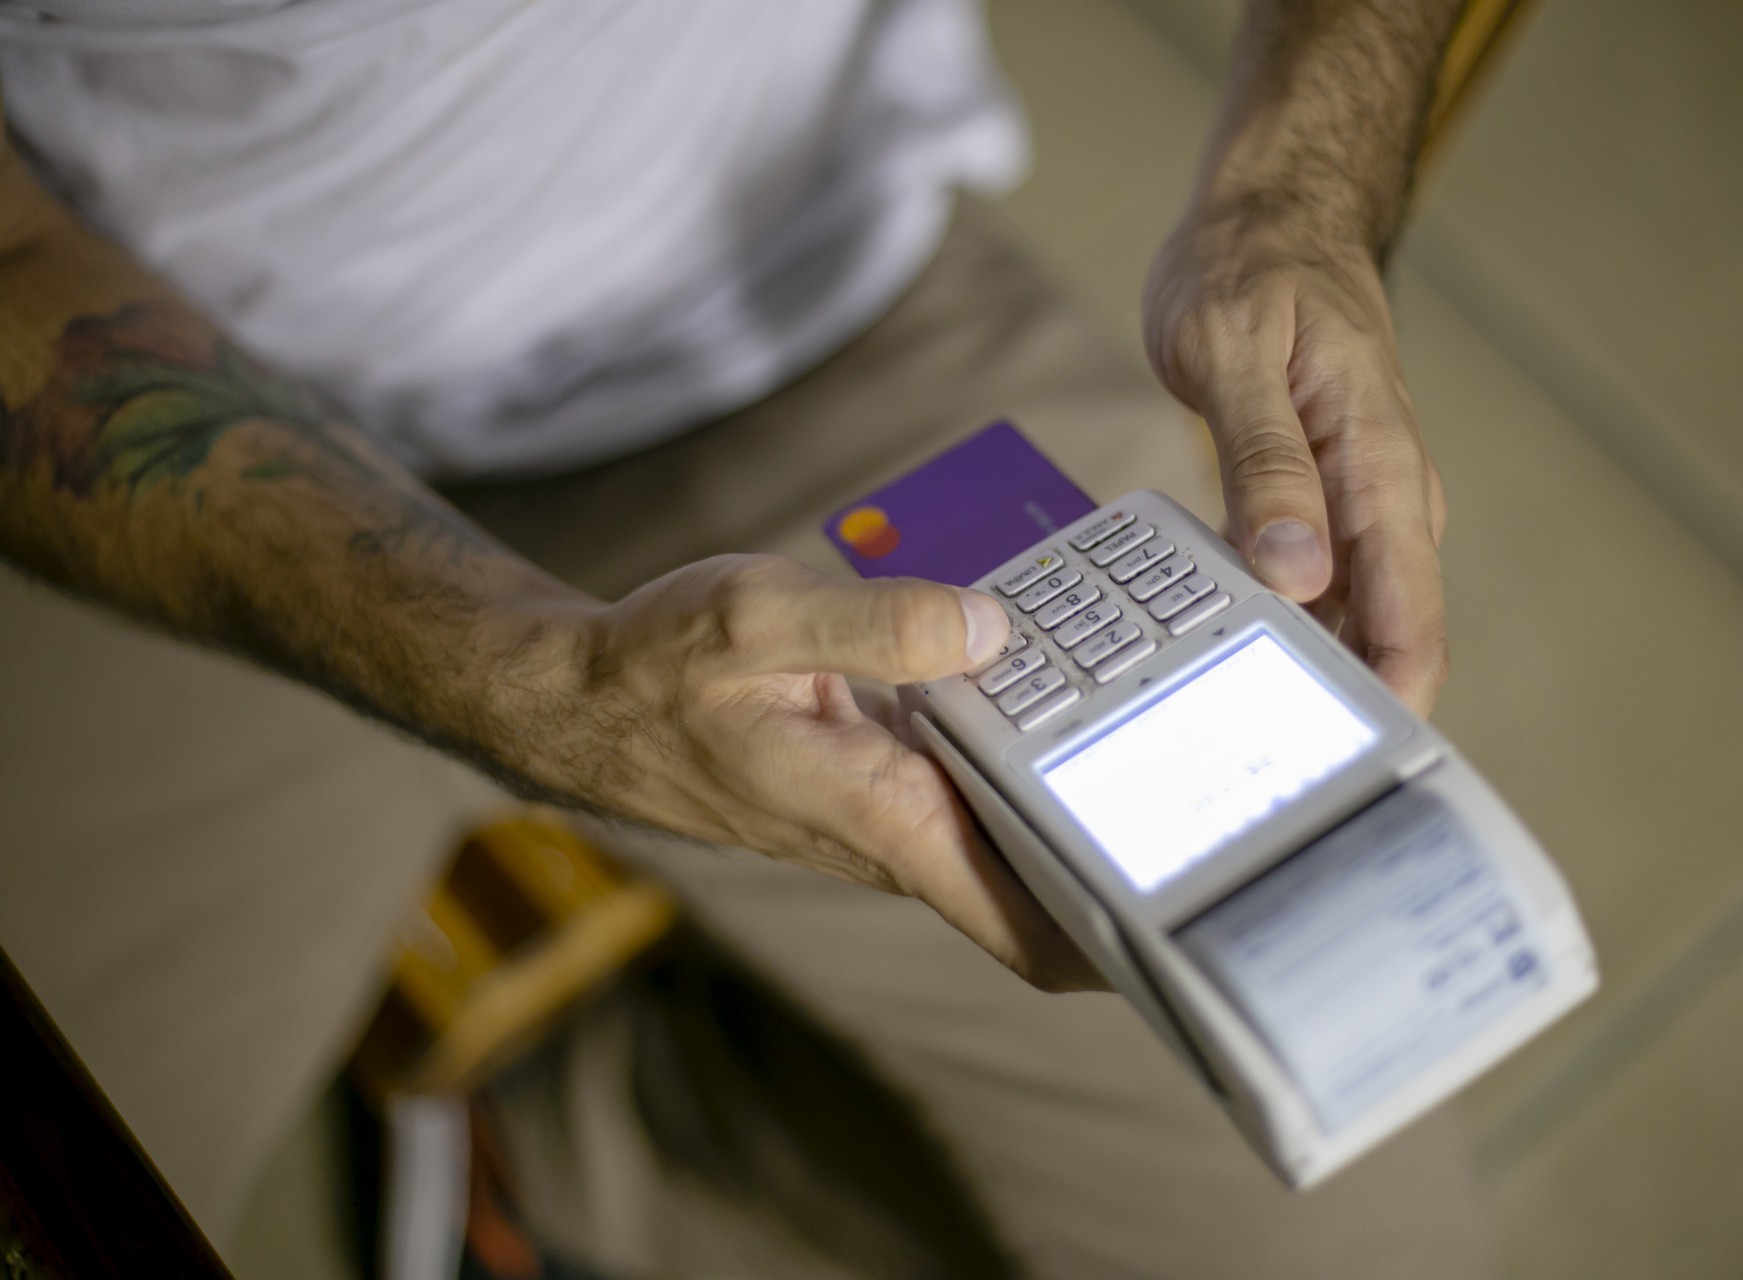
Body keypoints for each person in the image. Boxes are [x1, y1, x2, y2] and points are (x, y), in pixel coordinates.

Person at [0, 1, 1473, 1275]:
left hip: (812, 326)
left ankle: (586, 1146)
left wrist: (1299, 189)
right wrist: (526, 683)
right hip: (151, 435)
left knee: (1343, 1173)